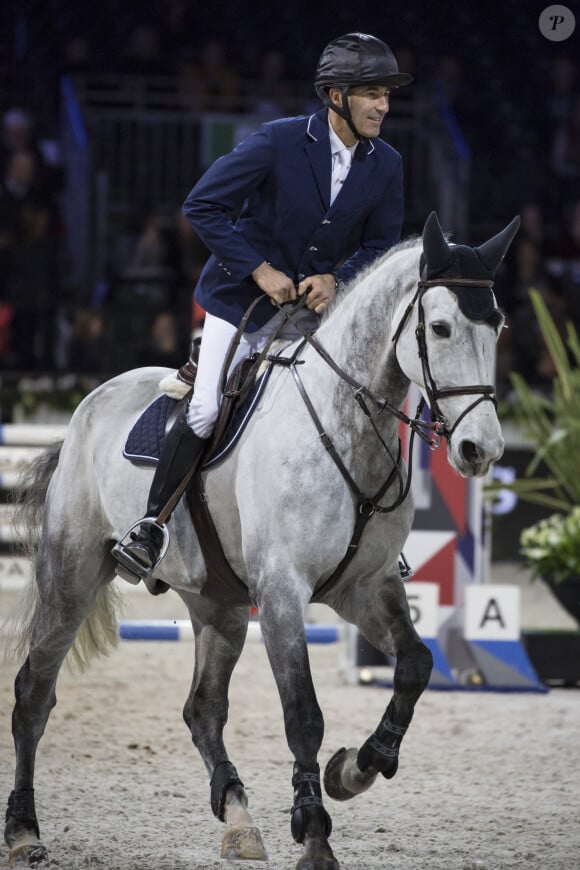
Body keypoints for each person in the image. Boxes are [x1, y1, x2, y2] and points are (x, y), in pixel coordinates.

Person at [113, 32, 412, 580]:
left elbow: (380, 246)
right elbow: (201, 205)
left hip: (312, 314)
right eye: (372, 93)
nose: (384, 106)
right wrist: (259, 268)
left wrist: (337, 279)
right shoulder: (277, 142)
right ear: (335, 96)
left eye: (387, 94)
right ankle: (151, 525)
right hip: (239, 302)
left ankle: (374, 537)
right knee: (205, 410)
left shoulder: (386, 163)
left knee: (353, 408)